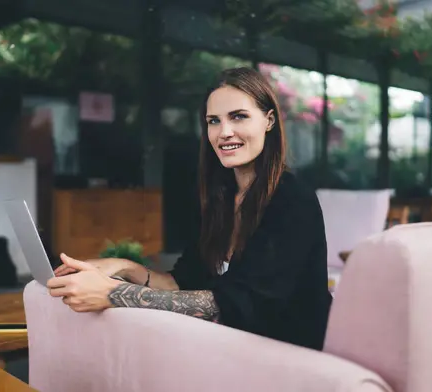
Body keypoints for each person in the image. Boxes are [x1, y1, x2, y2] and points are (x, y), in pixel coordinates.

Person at [48, 67, 332, 350]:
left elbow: (236, 305)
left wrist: (114, 293)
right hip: (234, 348)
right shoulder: (219, 198)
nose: (224, 132)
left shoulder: (292, 200)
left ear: (269, 121)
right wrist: (123, 268)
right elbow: (181, 283)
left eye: (239, 117)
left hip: (293, 358)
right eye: (213, 121)